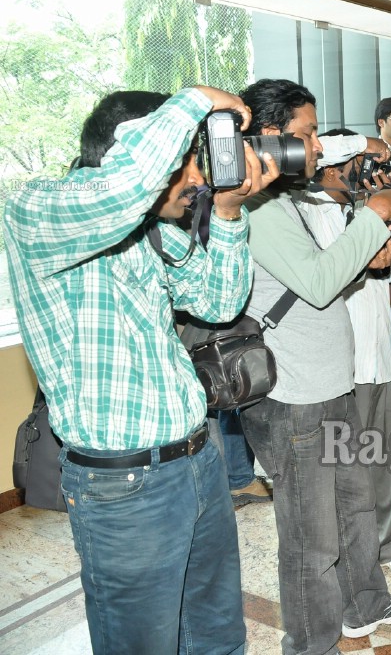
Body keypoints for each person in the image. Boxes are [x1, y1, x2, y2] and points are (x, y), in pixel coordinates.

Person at [4, 86, 278, 654]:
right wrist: (197, 99)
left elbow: (218, 302)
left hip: (197, 461)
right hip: (124, 485)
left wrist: (227, 213)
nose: (199, 177)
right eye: (190, 160)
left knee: (217, 636)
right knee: (143, 645)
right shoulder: (36, 207)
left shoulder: (148, 231)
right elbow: (126, 186)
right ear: (137, 145)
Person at [237, 79, 391, 652]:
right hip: (295, 399)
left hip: (333, 383)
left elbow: (326, 274)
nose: (317, 147)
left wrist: (371, 250)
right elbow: (317, 285)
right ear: (270, 137)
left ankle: (363, 603)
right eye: (307, 134)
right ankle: (310, 642)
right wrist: (372, 216)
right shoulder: (257, 207)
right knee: (311, 541)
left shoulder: (291, 201)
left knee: (356, 505)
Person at [314, 127, 391, 579]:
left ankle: (387, 543)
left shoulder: (367, 213)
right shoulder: (316, 214)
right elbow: (329, 278)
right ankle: (353, 557)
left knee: (387, 460)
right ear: (338, 168)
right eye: (372, 165)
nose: (382, 174)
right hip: (344, 363)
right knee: (350, 471)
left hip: (380, 355)